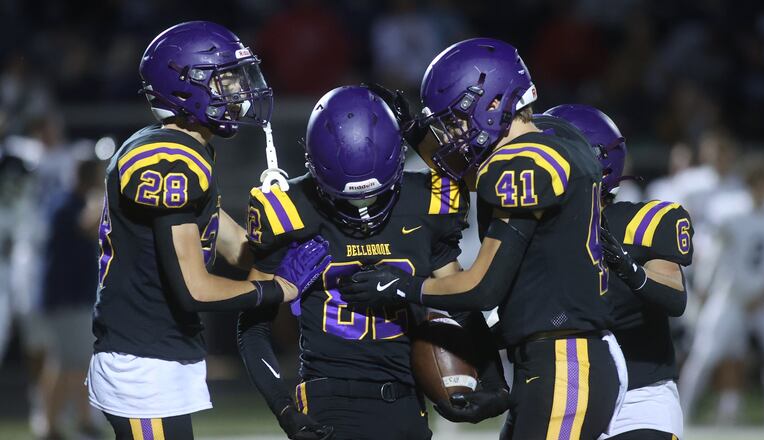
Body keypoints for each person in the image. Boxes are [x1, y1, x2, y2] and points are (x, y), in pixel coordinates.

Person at [338, 38, 624, 440]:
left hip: (565, 361)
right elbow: (472, 174)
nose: (452, 133)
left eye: (456, 119)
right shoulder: (558, 138)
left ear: (493, 103)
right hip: (561, 357)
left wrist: (400, 287)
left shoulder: (520, 165)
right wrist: (416, 133)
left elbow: (482, 287)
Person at [86, 21, 330, 440]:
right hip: (143, 361)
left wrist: (286, 240)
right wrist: (277, 290)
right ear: (185, 87)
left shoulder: (186, 149)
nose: (239, 91)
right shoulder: (168, 161)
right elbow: (194, 289)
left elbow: (236, 247)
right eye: (226, 79)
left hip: (161, 353)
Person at [238, 85, 509, 440]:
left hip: (407, 399)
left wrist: (494, 382)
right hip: (330, 399)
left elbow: (459, 302)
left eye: (375, 195)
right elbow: (252, 325)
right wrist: (284, 408)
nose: (363, 211)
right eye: (346, 199)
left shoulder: (429, 201)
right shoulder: (287, 210)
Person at [544, 104, 693, 440]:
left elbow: (674, 296)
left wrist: (631, 270)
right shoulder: (530, 229)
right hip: (559, 393)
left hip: (637, 399)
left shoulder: (644, 222)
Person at [679, 156, 764, 426]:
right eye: (762, 183)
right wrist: (705, 285)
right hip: (730, 295)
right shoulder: (729, 212)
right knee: (704, 354)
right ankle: (682, 412)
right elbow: (713, 252)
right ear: (751, 185)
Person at [40, 159, 106, 439]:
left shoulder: (72, 202)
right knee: (77, 362)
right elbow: (88, 226)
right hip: (67, 296)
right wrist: (104, 196)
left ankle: (50, 425)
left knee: (63, 361)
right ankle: (82, 421)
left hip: (72, 295)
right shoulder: (66, 204)